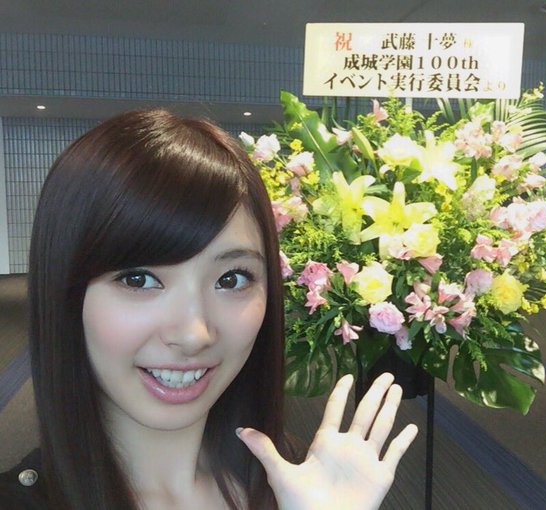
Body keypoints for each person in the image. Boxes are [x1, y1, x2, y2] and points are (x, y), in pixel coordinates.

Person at [0, 109, 418, 509]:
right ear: (66, 293)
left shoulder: (292, 483)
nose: (194, 334)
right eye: (139, 279)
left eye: (231, 279)